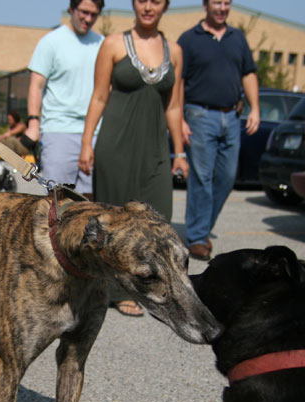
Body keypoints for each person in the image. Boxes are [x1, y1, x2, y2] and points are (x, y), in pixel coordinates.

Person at [79, 0, 187, 317]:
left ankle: (153, 284)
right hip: (115, 145)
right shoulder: (113, 44)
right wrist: (86, 143)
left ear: (165, 6)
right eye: (142, 0)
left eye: (156, 1)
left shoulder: (175, 51)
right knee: (114, 221)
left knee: (160, 216)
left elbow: (174, 106)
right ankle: (114, 291)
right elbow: (99, 96)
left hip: (155, 147)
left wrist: (179, 152)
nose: (148, 7)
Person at [178, 0, 259, 261]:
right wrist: (180, 119)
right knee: (201, 178)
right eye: (217, 2)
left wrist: (255, 108)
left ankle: (201, 228)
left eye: (226, 3)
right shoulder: (189, 39)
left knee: (227, 177)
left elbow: (248, 74)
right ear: (205, 5)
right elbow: (179, 81)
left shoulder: (238, 38)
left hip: (232, 116)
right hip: (199, 115)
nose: (222, 8)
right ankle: (198, 237)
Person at [26, 0, 105, 198]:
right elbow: (36, 85)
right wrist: (33, 123)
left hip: (95, 132)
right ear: (71, 9)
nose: (88, 19)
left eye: (94, 14)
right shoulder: (51, 42)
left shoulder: (102, 44)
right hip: (59, 130)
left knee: (91, 202)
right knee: (58, 198)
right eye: (84, 12)